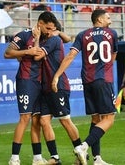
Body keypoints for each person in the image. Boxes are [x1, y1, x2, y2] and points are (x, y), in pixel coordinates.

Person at [52, 9, 118, 165]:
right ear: (100, 20)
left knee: (95, 118)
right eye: (108, 17)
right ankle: (83, 146)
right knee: (109, 118)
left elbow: (70, 56)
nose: (111, 20)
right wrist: (106, 67)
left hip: (88, 80)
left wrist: (57, 75)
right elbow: (113, 56)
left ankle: (97, 159)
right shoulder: (112, 33)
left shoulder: (82, 35)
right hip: (103, 80)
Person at [32, 11, 82, 164]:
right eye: (48, 28)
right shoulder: (48, 39)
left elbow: (37, 56)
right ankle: (55, 157)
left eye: (52, 29)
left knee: (65, 120)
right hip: (46, 87)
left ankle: (81, 152)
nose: (50, 31)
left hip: (58, 86)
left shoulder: (53, 40)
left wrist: (37, 38)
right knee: (44, 121)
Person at [4, 14, 47, 165]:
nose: (49, 30)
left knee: (37, 120)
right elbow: (8, 53)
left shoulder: (46, 38)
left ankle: (37, 157)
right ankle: (14, 158)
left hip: (40, 82)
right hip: (26, 81)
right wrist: (25, 52)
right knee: (25, 118)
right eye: (47, 26)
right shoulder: (24, 35)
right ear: (40, 23)